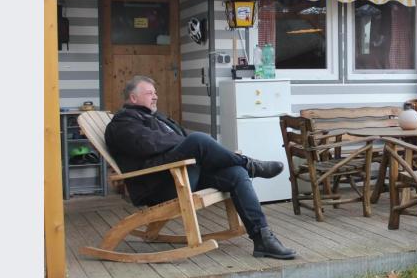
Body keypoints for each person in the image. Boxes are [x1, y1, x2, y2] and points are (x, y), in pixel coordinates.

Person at [104, 75, 296, 260]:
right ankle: (250, 164)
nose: (155, 96)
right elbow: (150, 144)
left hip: (181, 174)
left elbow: (174, 140)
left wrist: (193, 146)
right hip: (160, 185)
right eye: (149, 93)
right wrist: (191, 145)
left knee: (236, 173)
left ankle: (262, 238)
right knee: (198, 140)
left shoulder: (155, 118)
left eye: (155, 92)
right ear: (133, 97)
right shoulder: (123, 124)